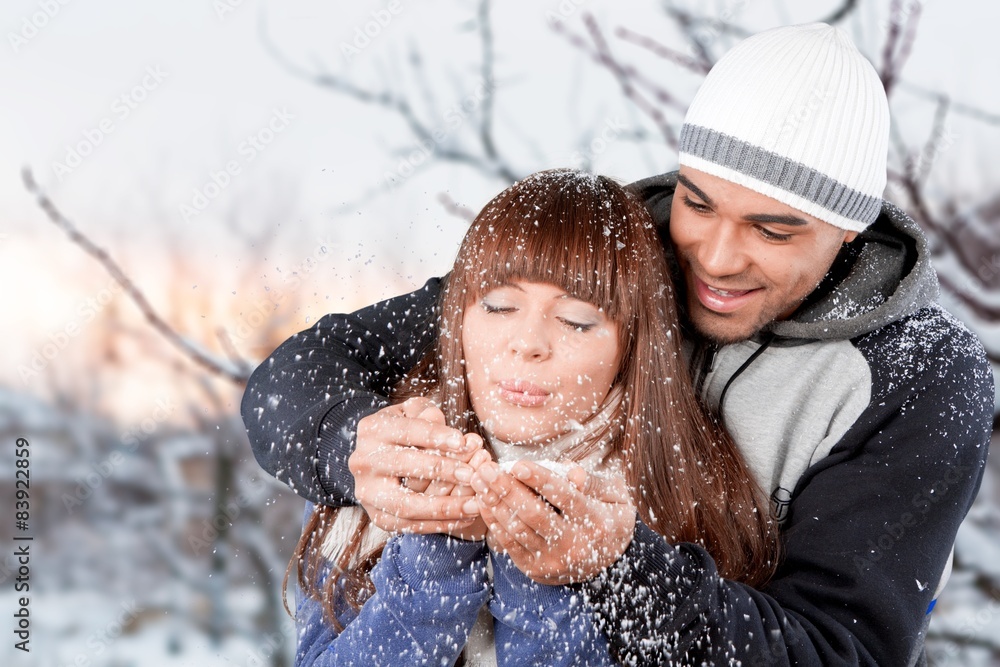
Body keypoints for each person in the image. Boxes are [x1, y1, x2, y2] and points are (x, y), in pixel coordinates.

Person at [243, 23, 994, 666]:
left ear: (851, 229)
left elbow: (840, 650)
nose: (716, 257)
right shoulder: (618, 250)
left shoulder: (918, 376)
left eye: (773, 228)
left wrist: (621, 570)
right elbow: (298, 374)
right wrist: (353, 445)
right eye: (699, 201)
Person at [283, 169, 779, 666]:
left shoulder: (686, 496)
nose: (529, 343)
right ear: (458, 316)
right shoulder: (386, 463)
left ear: (633, 344)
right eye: (499, 307)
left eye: (576, 321)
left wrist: (545, 577)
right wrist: (435, 560)